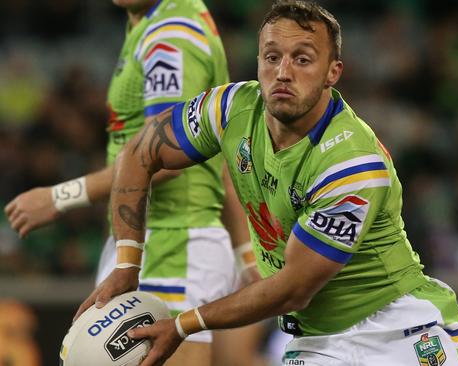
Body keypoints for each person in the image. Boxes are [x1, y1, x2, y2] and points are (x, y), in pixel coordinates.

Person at [79, 1, 458, 365]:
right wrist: (126, 265)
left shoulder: (350, 164)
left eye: (303, 59)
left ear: (333, 72)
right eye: (272, 57)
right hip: (317, 339)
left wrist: (184, 324)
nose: (283, 72)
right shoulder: (230, 109)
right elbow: (139, 153)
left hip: (400, 331)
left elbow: (293, 289)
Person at [4, 0, 264, 365]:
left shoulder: (171, 36)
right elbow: (215, 151)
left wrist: (61, 196)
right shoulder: (152, 23)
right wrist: (244, 254)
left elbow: (162, 156)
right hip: (150, 240)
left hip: (175, 242)